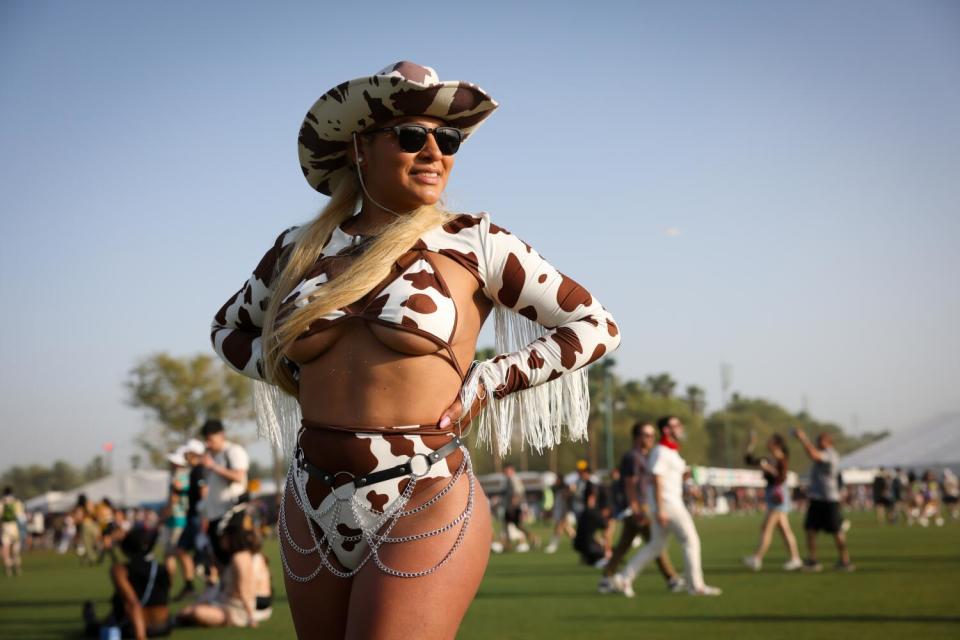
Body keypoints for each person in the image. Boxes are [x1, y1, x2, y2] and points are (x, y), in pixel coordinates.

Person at [210, 60, 621, 638]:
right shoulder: (298, 249)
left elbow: (594, 324)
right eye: (411, 136)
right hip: (310, 494)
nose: (434, 152)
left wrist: (488, 380)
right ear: (361, 147)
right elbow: (228, 328)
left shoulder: (475, 241)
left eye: (446, 139)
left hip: (424, 489)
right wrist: (283, 371)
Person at [610, 416, 722, 597]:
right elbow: (657, 478)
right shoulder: (662, 451)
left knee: (655, 546)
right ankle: (696, 586)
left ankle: (624, 579)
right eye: (676, 425)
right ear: (667, 430)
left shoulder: (670, 451)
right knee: (690, 541)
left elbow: (666, 477)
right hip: (669, 505)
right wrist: (661, 509)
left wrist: (685, 481)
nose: (680, 428)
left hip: (667, 503)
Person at [599, 423, 684, 592]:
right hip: (639, 506)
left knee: (626, 545)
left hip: (643, 505)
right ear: (637, 437)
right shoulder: (633, 457)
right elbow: (630, 483)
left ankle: (607, 578)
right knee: (655, 543)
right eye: (647, 435)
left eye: (653, 435)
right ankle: (671, 578)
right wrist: (635, 507)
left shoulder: (648, 455)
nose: (651, 438)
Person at [177, 506, 274, 628]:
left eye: (223, 536)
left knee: (195, 612)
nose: (221, 540)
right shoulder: (238, 556)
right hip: (228, 603)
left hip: (235, 610)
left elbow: (244, 590)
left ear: (230, 537)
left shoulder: (239, 558)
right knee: (187, 611)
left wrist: (250, 617)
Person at [82, 524, 173, 639]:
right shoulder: (162, 569)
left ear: (125, 549)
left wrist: (140, 636)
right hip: (163, 626)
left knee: (96, 627)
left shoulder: (120, 570)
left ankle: (91, 618)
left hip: (134, 627)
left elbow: (133, 604)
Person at [793, 429, 854, 572]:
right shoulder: (825, 453)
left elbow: (814, 455)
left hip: (829, 499)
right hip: (817, 498)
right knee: (810, 529)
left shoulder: (831, 455)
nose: (818, 443)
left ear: (828, 442)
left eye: (821, 440)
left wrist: (803, 438)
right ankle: (813, 560)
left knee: (836, 531)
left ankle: (845, 560)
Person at [741, 432, 803, 571]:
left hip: (778, 496)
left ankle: (757, 558)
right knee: (785, 530)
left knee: (766, 527)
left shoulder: (781, 459)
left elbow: (781, 478)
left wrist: (768, 468)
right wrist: (751, 444)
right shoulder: (769, 458)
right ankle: (795, 558)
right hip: (773, 495)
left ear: (777, 444)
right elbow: (749, 460)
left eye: (770, 441)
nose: (767, 443)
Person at [199, 419, 250, 571]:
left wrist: (214, 467)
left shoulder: (233, 451)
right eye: (206, 440)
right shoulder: (213, 456)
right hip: (215, 515)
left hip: (231, 513)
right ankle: (228, 591)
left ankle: (244, 591)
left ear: (221, 435)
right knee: (220, 557)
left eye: (210, 439)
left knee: (236, 556)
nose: (208, 444)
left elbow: (239, 476)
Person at [174, 438, 207, 600]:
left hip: (197, 517)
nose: (185, 455)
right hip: (193, 517)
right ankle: (189, 586)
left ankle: (211, 587)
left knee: (205, 557)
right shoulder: (195, 470)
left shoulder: (199, 470)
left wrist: (204, 517)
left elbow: (203, 494)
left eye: (188, 452)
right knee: (182, 551)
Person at [160, 447, 190, 587]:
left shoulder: (178, 476)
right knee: (175, 554)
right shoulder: (185, 475)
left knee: (172, 554)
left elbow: (174, 499)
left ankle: (170, 584)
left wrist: (163, 515)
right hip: (179, 518)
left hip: (176, 518)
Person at [501, 464, 532, 552]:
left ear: (512, 470)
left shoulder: (514, 480)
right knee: (507, 525)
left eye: (507, 470)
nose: (505, 472)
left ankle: (533, 538)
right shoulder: (507, 480)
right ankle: (508, 545)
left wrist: (514, 506)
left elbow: (518, 494)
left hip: (514, 507)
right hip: (509, 507)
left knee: (518, 525)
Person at [1, 487, 25, 577]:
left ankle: (8, 570)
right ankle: (18, 569)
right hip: (15, 528)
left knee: (6, 550)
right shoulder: (17, 503)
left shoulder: (2, 503)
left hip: (5, 528)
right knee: (15, 551)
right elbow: (21, 517)